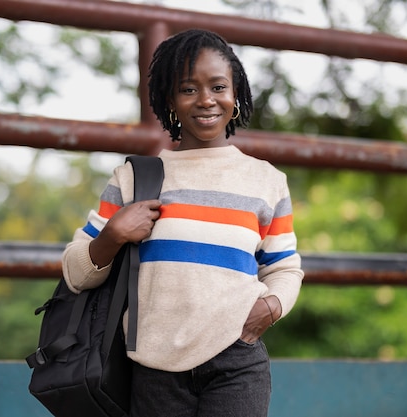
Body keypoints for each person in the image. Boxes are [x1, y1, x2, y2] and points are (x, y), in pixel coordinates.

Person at [62, 28, 304, 417]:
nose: (206, 100)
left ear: (236, 94)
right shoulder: (134, 178)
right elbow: (75, 272)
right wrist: (113, 235)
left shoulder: (267, 181)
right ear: (170, 100)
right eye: (189, 89)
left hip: (235, 361)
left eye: (218, 87)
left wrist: (271, 307)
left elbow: (284, 267)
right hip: (153, 370)